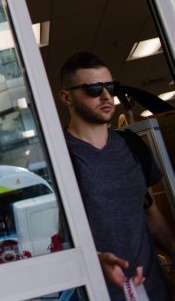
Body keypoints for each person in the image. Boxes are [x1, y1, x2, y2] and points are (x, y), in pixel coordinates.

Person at [59, 52, 175, 300]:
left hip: (154, 289)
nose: (105, 96)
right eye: (93, 89)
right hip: (102, 293)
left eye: (110, 87)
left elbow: (150, 213)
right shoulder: (59, 156)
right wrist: (93, 259)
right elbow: (55, 239)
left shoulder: (132, 145)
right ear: (66, 97)